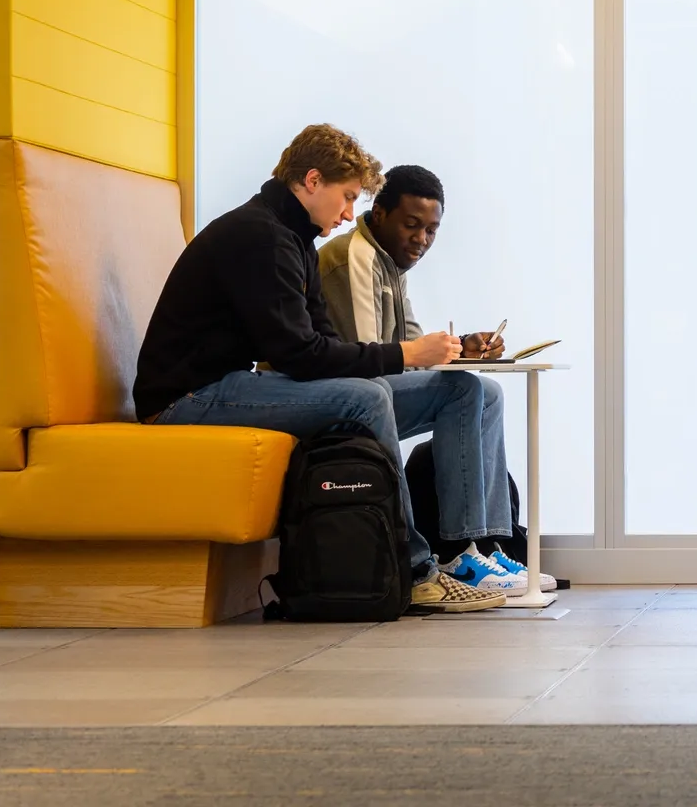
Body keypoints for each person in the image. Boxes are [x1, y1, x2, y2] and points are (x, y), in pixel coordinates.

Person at [133, 126, 511, 613]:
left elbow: (323, 345)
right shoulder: (259, 236)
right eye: (348, 197)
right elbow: (301, 356)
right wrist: (404, 355)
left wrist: (411, 358)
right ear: (312, 181)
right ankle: (415, 568)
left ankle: (465, 553)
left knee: (458, 391)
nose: (350, 213)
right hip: (186, 399)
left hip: (231, 385)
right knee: (367, 396)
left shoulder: (293, 238)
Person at [316, 163, 551, 594]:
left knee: (490, 393)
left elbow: (408, 349)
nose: (421, 240)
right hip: (345, 394)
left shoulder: (390, 263)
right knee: (463, 389)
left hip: (371, 386)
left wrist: (460, 348)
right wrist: (441, 361)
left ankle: (490, 545)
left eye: (431, 231)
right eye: (411, 225)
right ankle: (457, 553)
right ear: (380, 212)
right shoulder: (355, 258)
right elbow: (372, 358)